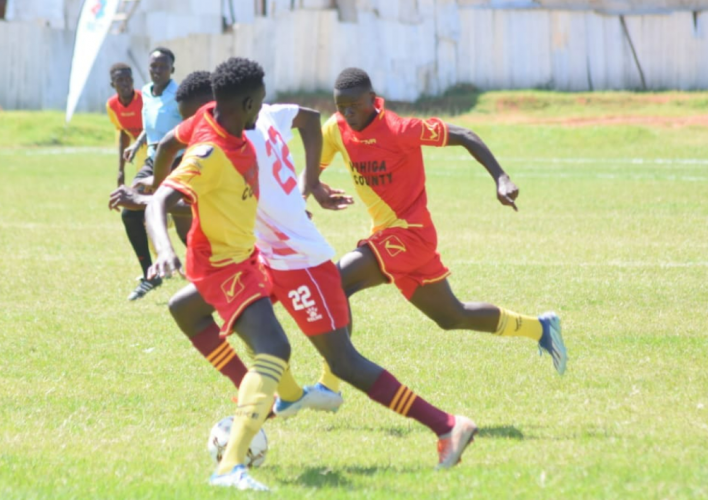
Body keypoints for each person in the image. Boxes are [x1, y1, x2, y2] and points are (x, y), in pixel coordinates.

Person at [127, 68, 479, 489]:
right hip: (262, 256)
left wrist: (154, 197)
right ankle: (265, 400)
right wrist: (311, 183)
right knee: (187, 309)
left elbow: (209, 187)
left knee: (342, 362)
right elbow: (307, 120)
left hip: (297, 261)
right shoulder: (251, 116)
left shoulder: (230, 144)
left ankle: (446, 425)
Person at [310, 67, 568, 375]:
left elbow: (465, 135)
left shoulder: (400, 130)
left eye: (355, 106)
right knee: (451, 317)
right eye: (342, 108)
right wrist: (314, 189)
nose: (348, 114)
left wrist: (501, 178)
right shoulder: (336, 128)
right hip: (389, 236)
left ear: (372, 98)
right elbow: (312, 170)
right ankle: (541, 328)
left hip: (411, 234)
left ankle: (333, 381)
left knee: (334, 282)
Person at [145, 58, 288, 491]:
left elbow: (167, 143)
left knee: (186, 311)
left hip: (243, 254)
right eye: (259, 105)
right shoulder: (210, 153)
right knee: (275, 349)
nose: (261, 111)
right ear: (244, 103)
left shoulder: (208, 117)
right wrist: (165, 246)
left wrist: (151, 185)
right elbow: (160, 204)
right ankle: (229, 467)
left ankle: (254, 388)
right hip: (223, 264)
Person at [121, 47, 183, 301]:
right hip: (152, 158)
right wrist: (136, 145)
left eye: (162, 66)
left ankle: (216, 273)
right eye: (153, 66)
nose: (157, 71)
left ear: (172, 69)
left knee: (186, 223)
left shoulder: (180, 95)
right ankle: (150, 274)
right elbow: (150, 127)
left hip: (178, 159)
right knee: (128, 210)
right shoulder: (146, 92)